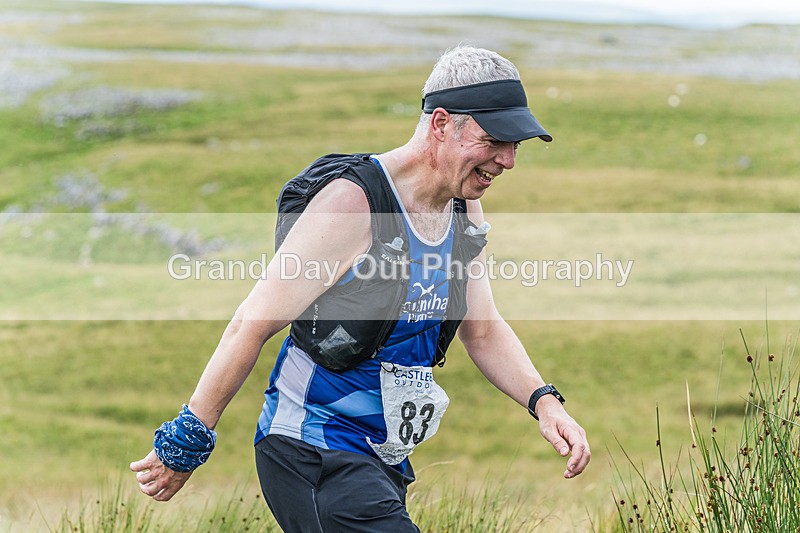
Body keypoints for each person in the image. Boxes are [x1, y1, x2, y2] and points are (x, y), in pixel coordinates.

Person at [131, 45, 590, 531]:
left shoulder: (462, 208)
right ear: (440, 124)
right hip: (311, 449)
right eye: (496, 140)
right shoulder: (354, 205)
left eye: (517, 144)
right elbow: (252, 322)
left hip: (382, 459)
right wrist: (186, 439)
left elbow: (483, 330)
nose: (508, 160)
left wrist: (545, 403)